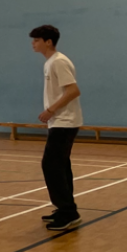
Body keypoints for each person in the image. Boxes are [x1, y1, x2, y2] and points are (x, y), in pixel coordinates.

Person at [30, 25, 84, 231]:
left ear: (48, 42)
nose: (33, 44)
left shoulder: (58, 62)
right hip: (60, 122)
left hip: (65, 122)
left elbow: (73, 90)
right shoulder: (50, 62)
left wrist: (50, 110)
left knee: (51, 165)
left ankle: (68, 212)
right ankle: (65, 209)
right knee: (60, 166)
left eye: (36, 40)